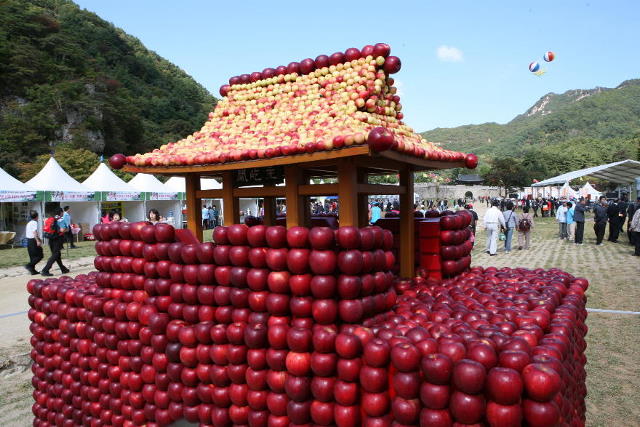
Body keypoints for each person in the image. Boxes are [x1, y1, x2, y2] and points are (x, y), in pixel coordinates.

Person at [41, 208, 70, 276]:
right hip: (57, 239)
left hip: (51, 238)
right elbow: (62, 230)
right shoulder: (61, 220)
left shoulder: (51, 219)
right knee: (55, 255)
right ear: (61, 213)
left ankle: (63, 269)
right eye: (62, 212)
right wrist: (67, 229)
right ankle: (45, 270)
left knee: (57, 255)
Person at [24, 210, 43, 275]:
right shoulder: (34, 222)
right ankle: (29, 265)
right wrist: (38, 240)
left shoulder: (29, 223)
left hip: (29, 240)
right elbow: (34, 232)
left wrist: (39, 239)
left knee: (32, 256)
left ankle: (32, 270)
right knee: (40, 255)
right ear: (37, 216)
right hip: (33, 240)